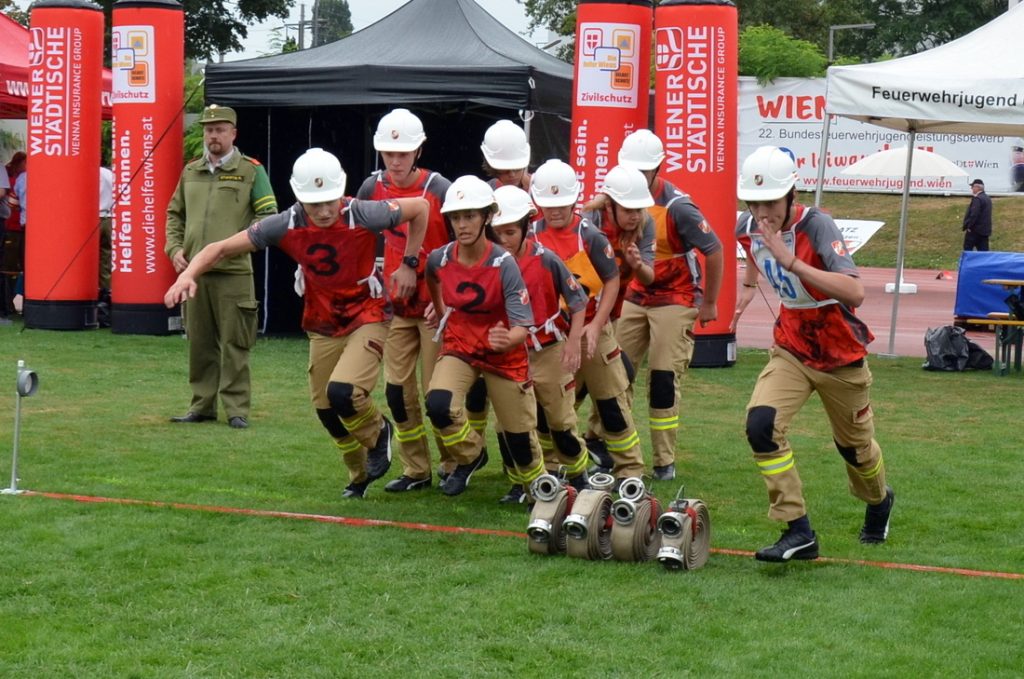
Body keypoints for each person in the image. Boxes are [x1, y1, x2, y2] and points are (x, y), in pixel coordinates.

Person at [165, 148, 429, 498]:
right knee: (325, 409)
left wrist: (409, 261)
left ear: (341, 193)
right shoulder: (284, 223)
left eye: (329, 202)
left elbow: (420, 208)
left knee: (343, 391)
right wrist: (187, 276)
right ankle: (358, 473)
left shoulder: (363, 213)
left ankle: (380, 432)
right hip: (322, 320)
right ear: (298, 198)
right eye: (313, 203)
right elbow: (220, 248)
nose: (322, 211)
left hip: (367, 313)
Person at [732, 145, 894, 563]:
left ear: (792, 195)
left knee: (854, 449)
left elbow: (855, 292)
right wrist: (747, 292)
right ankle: (798, 530)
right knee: (761, 424)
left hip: (840, 353)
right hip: (791, 347)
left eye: (770, 202)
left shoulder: (818, 225)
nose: (761, 212)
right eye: (753, 202)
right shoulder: (745, 227)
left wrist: (794, 264)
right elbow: (753, 254)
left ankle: (879, 501)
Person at [356, 108, 459, 492]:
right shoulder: (371, 188)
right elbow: (362, 241)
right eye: (388, 152)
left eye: (402, 152)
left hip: (436, 309)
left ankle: (453, 464)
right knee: (397, 391)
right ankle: (416, 468)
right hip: (396, 309)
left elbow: (466, 246)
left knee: (437, 394)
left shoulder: (440, 188)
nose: (395, 160)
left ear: (419, 150)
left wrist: (446, 295)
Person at [612, 129, 723, 481]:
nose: (639, 177)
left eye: (645, 170)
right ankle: (611, 449)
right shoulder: (614, 197)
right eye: (632, 169)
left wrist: (709, 303)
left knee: (662, 377)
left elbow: (714, 249)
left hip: (674, 298)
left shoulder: (679, 207)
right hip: (635, 295)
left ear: (659, 167)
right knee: (615, 374)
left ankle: (664, 460)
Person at [423, 176, 545, 497]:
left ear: (486, 217)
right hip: (461, 346)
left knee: (519, 439)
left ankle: (539, 491)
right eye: (456, 217)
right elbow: (432, 278)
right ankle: (473, 455)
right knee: (438, 404)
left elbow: (523, 325)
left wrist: (510, 338)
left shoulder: (503, 264)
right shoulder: (440, 257)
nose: (462, 225)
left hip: (503, 355)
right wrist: (440, 309)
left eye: (470, 216)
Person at [531, 159, 646, 483]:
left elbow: (611, 281)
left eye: (562, 203)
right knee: (549, 406)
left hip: (594, 329)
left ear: (574, 199)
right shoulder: (532, 238)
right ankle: (553, 468)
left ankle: (630, 471)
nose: (555, 210)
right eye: (548, 204)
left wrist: (597, 327)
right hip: (553, 337)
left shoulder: (590, 236)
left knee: (611, 402)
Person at [165, 104, 278, 429]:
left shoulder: (251, 171)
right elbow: (174, 214)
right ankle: (201, 406)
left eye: (220, 129)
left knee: (236, 344)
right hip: (195, 277)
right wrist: (174, 249)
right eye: (208, 130)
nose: (213, 135)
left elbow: (269, 217)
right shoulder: (191, 171)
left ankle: (237, 410)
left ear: (233, 133)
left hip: (234, 274)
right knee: (199, 343)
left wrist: (237, 246)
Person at [488, 185, 589, 503]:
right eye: (497, 233)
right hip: (508, 355)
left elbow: (578, 301)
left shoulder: (547, 260)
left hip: (549, 350)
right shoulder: (487, 263)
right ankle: (522, 482)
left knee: (560, 421)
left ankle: (578, 474)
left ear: (525, 226)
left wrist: (573, 343)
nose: (503, 240)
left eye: (509, 232)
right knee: (509, 424)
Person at [481, 120, 532, 191]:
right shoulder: (485, 192)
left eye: (517, 168)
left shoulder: (547, 185)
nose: (512, 174)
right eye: (504, 170)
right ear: (491, 167)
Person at [98, 164, 115, 327]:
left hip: (93, 218)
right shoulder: (108, 174)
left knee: (90, 261)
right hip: (109, 218)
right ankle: (106, 297)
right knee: (106, 261)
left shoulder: (86, 174)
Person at [962, 178, 992, 251]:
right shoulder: (987, 198)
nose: (971, 189)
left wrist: (969, 226)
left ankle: (968, 263)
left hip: (974, 231)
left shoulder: (977, 199)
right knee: (984, 252)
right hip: (985, 231)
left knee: (967, 250)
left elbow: (974, 214)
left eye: (972, 187)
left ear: (977, 187)